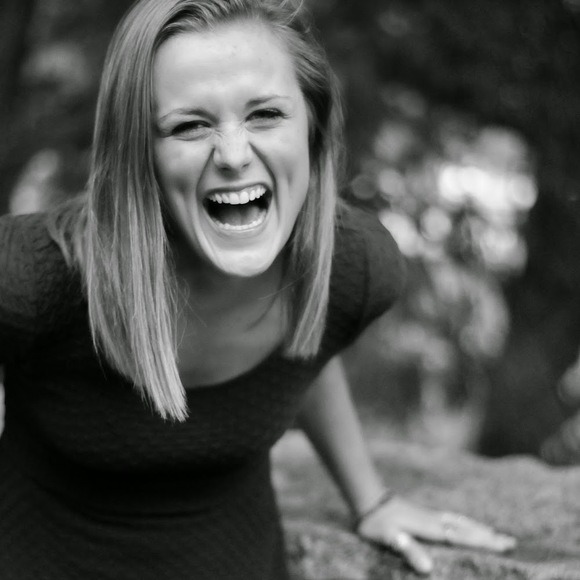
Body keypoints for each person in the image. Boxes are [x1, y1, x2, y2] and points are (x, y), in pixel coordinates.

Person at [0, 0, 516, 578]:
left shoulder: (354, 268)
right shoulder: (30, 279)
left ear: (313, 127)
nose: (233, 155)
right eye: (189, 125)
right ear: (136, 153)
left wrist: (371, 500)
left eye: (265, 114)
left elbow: (307, 353)